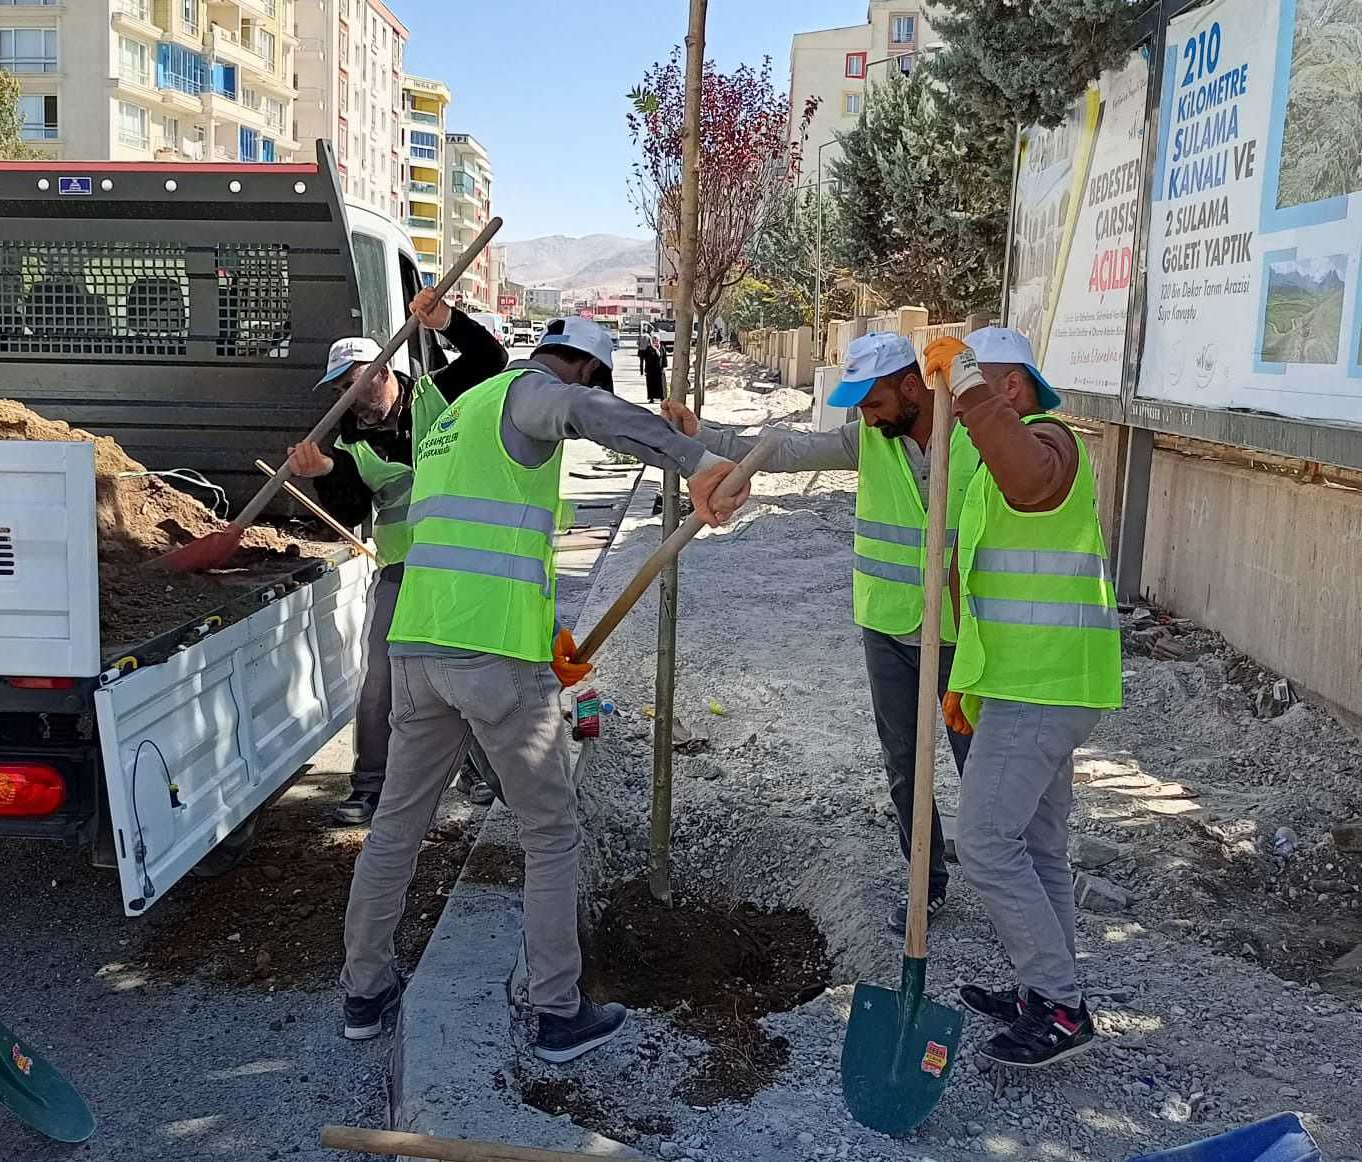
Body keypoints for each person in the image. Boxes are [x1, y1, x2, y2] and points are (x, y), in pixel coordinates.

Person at [340, 318, 751, 1060]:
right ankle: (557, 1011)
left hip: (420, 647)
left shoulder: (454, 417)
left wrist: (545, 642)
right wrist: (701, 461)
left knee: (398, 827)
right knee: (551, 831)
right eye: (592, 381)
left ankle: (364, 993)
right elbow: (586, 414)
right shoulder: (533, 393)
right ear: (584, 370)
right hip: (490, 658)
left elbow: (489, 543)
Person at [663, 332, 981, 934]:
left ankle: (1004, 877)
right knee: (904, 765)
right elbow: (783, 449)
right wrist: (701, 435)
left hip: (966, 635)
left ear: (910, 387)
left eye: (874, 401)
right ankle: (926, 883)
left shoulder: (974, 436)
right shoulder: (869, 439)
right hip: (888, 625)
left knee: (979, 762)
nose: (866, 413)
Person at [921, 327, 1122, 1069]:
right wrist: (967, 685)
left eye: (975, 384)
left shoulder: (1052, 446)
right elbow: (987, 591)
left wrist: (965, 382)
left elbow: (1029, 480)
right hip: (1027, 684)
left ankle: (1061, 1006)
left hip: (1045, 688)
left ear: (1011, 388)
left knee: (984, 843)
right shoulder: (998, 460)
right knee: (1037, 846)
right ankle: (1047, 992)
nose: (957, 399)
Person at [288, 290, 508, 823]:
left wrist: (446, 322)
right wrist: (323, 477)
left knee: (469, 672)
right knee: (381, 678)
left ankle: (480, 774)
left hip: (463, 565)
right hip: (402, 570)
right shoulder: (344, 442)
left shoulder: (440, 395)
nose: (351, 398)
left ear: (383, 370)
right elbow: (352, 506)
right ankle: (368, 788)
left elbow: (491, 361)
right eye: (340, 390)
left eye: (355, 382)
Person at [637, 331, 667, 403]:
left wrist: (664, 367)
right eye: (654, 340)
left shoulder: (662, 348)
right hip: (651, 370)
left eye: (657, 340)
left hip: (660, 369)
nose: (655, 342)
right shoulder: (648, 349)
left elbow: (664, 358)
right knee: (651, 384)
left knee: (661, 384)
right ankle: (651, 398)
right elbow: (642, 357)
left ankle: (662, 398)